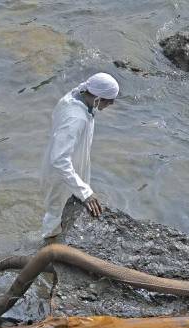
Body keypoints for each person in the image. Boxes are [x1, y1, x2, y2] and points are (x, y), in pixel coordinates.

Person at [40, 72, 119, 239]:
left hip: (73, 168)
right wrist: (85, 192)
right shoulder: (75, 118)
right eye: (108, 101)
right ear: (97, 98)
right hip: (61, 177)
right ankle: (46, 249)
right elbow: (59, 159)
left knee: (64, 214)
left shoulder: (78, 96)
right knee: (54, 217)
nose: (110, 104)